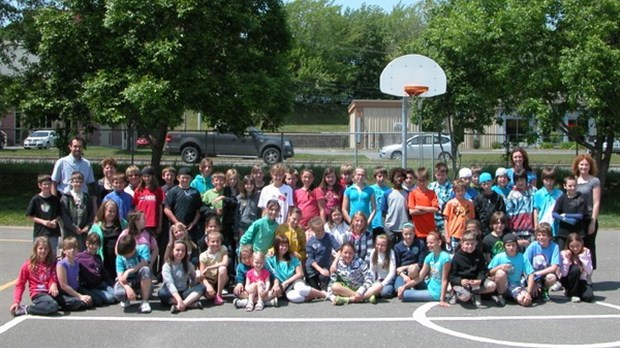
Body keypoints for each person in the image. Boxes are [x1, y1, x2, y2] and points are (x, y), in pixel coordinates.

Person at [267, 235, 328, 303]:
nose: (284, 248)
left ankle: (325, 294)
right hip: (286, 288)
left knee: (301, 289)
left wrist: (285, 283)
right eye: (281, 245)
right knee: (294, 297)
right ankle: (314, 295)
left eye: (286, 246)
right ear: (276, 245)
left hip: (295, 282)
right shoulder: (271, 259)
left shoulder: (292, 258)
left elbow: (300, 274)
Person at [397, 231, 451, 306]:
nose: (429, 245)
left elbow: (445, 279)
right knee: (402, 290)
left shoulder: (445, 258)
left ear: (439, 242)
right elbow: (420, 277)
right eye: (427, 243)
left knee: (404, 295)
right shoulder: (429, 257)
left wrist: (442, 299)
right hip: (428, 284)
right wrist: (404, 286)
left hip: (435, 292)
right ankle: (411, 289)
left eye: (431, 243)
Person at [10, 237, 61, 316]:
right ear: (35, 249)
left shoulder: (51, 263)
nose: (43, 251)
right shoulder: (28, 265)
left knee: (75, 303)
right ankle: (26, 309)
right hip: (38, 293)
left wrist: (53, 283)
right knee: (52, 306)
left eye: (45, 249)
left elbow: (52, 276)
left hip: (51, 292)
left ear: (49, 250)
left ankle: (44, 306)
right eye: (40, 248)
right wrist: (16, 301)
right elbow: (20, 285)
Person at [449, 232, 497, 307]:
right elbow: (452, 275)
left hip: (475, 281)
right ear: (462, 243)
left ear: (476, 243)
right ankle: (456, 292)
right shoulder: (457, 257)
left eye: (472, 244)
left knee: (492, 286)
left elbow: (482, 270)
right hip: (463, 282)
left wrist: (479, 280)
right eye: (467, 244)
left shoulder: (479, 254)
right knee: (465, 297)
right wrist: (460, 281)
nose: (470, 246)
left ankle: (476, 294)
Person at [488, 233, 536, 307]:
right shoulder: (499, 257)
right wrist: (499, 267)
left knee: (525, 301)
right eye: (508, 245)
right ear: (504, 247)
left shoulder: (522, 257)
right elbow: (489, 272)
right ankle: (502, 295)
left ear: (517, 246)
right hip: (502, 285)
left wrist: (528, 292)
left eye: (513, 245)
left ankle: (513, 297)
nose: (511, 248)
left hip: (515, 285)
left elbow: (531, 274)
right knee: (500, 273)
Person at [573, 154, 600, 281]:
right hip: (576, 218)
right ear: (577, 166)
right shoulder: (574, 181)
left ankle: (588, 275)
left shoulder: (594, 181)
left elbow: (596, 203)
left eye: (586, 165)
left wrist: (593, 222)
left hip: (588, 218)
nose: (584, 167)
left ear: (590, 166)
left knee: (589, 247)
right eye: (582, 164)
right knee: (575, 246)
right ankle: (575, 274)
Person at [160, 240, 205, 313]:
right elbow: (169, 283)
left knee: (201, 287)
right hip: (171, 293)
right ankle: (191, 304)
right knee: (162, 293)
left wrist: (197, 276)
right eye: (177, 250)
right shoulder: (167, 265)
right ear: (172, 250)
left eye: (183, 251)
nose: (180, 253)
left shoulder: (187, 264)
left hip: (184, 292)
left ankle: (181, 305)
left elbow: (194, 277)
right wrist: (178, 299)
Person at [114, 234, 152, 313]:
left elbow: (144, 262)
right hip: (128, 282)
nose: (125, 256)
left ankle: (144, 301)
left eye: (127, 254)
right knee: (118, 293)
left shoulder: (143, 249)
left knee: (145, 270)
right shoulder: (120, 257)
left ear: (133, 248)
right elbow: (120, 276)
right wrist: (127, 288)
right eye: (123, 255)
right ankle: (126, 299)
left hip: (140, 280)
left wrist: (129, 271)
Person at [26, 174, 62, 258]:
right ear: (39, 185)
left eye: (49, 184)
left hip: (53, 232)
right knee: (39, 255)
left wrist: (55, 221)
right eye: (45, 184)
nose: (47, 186)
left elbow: (59, 215)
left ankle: (51, 271)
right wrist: (43, 222)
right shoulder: (36, 199)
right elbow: (29, 215)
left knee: (52, 255)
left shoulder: (55, 199)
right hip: (40, 232)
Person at [164, 167, 202, 245]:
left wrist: (193, 223)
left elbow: (198, 210)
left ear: (191, 179)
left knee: (191, 248)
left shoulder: (195, 192)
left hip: (190, 227)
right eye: (183, 178)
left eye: (187, 178)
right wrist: (177, 223)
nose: (185, 180)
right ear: (178, 178)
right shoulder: (173, 191)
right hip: (176, 227)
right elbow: (167, 209)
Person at [75, 233, 115, 306]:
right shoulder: (79, 257)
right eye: (92, 244)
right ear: (87, 243)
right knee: (110, 298)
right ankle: (99, 294)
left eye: (97, 245)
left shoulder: (98, 257)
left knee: (117, 295)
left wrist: (112, 284)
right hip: (90, 287)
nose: (94, 247)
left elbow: (104, 273)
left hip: (101, 284)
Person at [90, 200, 126, 279]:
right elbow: (91, 243)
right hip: (105, 260)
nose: (112, 214)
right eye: (110, 211)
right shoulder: (96, 226)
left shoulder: (122, 223)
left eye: (114, 211)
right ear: (104, 211)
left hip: (120, 259)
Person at [523, 222, 560, 302]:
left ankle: (544, 290)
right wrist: (532, 281)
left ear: (550, 237)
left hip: (543, 274)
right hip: (531, 274)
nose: (541, 237)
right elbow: (525, 263)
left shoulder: (554, 247)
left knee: (551, 277)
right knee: (530, 295)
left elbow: (554, 267)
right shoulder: (533, 245)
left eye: (544, 235)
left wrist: (537, 273)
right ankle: (530, 288)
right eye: (539, 235)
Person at [51, 136, 96, 200]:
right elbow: (54, 183)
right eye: (75, 146)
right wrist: (54, 201)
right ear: (70, 147)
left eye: (80, 146)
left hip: (82, 200)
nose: (77, 149)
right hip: (65, 199)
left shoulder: (87, 164)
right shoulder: (61, 162)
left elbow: (91, 185)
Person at [56, 237, 93, 311]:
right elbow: (63, 286)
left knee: (92, 300)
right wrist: (80, 296)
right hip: (65, 292)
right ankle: (61, 304)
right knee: (80, 303)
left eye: (74, 248)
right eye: (69, 248)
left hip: (75, 288)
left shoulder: (76, 262)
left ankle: (75, 300)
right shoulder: (61, 264)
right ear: (64, 250)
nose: (72, 250)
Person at [61, 171, 95, 251]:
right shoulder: (66, 198)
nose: (78, 184)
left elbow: (91, 214)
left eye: (80, 182)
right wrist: (74, 228)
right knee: (70, 250)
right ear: (71, 182)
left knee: (82, 252)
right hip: (70, 231)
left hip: (83, 232)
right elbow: (64, 215)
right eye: (76, 182)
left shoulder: (87, 197)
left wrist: (88, 226)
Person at [552, 175, 588, 250]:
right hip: (563, 233)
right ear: (565, 186)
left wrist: (566, 215)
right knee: (562, 254)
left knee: (577, 254)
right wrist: (564, 219)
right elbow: (554, 213)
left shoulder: (581, 198)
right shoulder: (562, 198)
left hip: (577, 233)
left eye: (574, 186)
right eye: (570, 186)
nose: (572, 188)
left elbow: (580, 216)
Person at [306, 216, 341, 291]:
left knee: (324, 278)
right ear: (313, 230)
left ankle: (324, 285)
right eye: (318, 231)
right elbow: (311, 259)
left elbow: (339, 250)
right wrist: (320, 270)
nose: (321, 232)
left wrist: (334, 263)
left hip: (325, 265)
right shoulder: (310, 242)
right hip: (312, 268)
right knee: (315, 291)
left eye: (322, 230)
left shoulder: (329, 237)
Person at [393, 223, 428, 292]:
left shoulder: (420, 244)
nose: (408, 236)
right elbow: (397, 267)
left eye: (410, 234)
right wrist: (404, 277)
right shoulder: (397, 247)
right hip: (402, 274)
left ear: (414, 233)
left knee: (413, 269)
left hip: (416, 273)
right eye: (406, 234)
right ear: (402, 234)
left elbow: (420, 263)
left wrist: (405, 267)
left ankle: (413, 285)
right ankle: (411, 286)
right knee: (398, 289)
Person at [560, 233, 594, 302]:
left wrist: (582, 257)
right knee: (576, 268)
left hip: (581, 280)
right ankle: (572, 293)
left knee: (589, 297)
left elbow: (589, 271)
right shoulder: (564, 253)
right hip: (568, 280)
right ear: (568, 246)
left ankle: (578, 292)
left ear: (582, 243)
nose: (575, 249)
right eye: (572, 246)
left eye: (578, 246)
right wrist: (567, 259)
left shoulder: (586, 252)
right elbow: (563, 274)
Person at [408, 167, 439, 242]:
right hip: (418, 232)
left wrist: (419, 207)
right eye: (419, 180)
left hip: (430, 230)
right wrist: (428, 210)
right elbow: (411, 212)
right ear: (416, 180)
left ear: (427, 180)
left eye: (423, 180)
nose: (421, 183)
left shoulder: (432, 193)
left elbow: (435, 209)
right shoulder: (413, 193)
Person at [505, 171, 535, 250]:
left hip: (532, 231)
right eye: (517, 181)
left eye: (522, 180)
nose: (520, 182)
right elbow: (508, 214)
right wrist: (511, 230)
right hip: (517, 231)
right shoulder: (512, 195)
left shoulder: (533, 191)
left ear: (526, 180)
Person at [443, 179, 476, 252]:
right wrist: (447, 236)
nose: (460, 193)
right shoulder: (450, 203)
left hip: (466, 235)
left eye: (462, 190)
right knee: (453, 255)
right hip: (454, 235)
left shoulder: (470, 204)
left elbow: (472, 220)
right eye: (458, 191)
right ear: (454, 192)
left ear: (465, 190)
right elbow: (446, 220)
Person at [133, 166, 164, 237]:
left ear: (152, 177)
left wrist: (160, 225)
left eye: (149, 176)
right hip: (140, 222)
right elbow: (136, 207)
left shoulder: (158, 190)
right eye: (144, 176)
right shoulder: (138, 190)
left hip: (152, 223)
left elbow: (160, 208)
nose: (146, 178)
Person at [199, 232, 228, 305]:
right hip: (209, 279)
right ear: (208, 242)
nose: (215, 244)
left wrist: (209, 267)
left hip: (220, 277)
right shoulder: (203, 255)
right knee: (210, 295)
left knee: (223, 268)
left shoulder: (223, 249)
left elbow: (225, 263)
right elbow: (202, 275)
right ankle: (212, 293)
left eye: (218, 241)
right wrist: (208, 286)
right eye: (213, 241)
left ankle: (219, 295)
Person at [382, 167, 410, 244]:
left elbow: (409, 211)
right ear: (392, 178)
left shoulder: (408, 193)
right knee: (390, 250)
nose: (399, 179)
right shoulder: (387, 193)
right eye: (397, 176)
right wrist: (386, 228)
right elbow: (383, 213)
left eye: (401, 176)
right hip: (390, 227)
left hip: (403, 228)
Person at [428, 162, 452, 236]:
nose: (440, 177)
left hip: (446, 220)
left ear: (446, 175)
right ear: (435, 175)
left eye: (443, 175)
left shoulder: (451, 188)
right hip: (433, 220)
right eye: (438, 175)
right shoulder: (431, 186)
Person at [237, 175, 261, 240]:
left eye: (251, 184)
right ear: (243, 185)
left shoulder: (258, 197)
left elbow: (260, 212)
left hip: (253, 225)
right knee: (242, 245)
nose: (249, 186)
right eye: (247, 184)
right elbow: (237, 214)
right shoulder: (239, 198)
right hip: (242, 226)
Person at [369, 166, 390, 240]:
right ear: (375, 177)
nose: (382, 178)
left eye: (384, 176)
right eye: (379, 176)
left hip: (384, 222)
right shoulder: (370, 189)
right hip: (373, 222)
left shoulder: (388, 190)